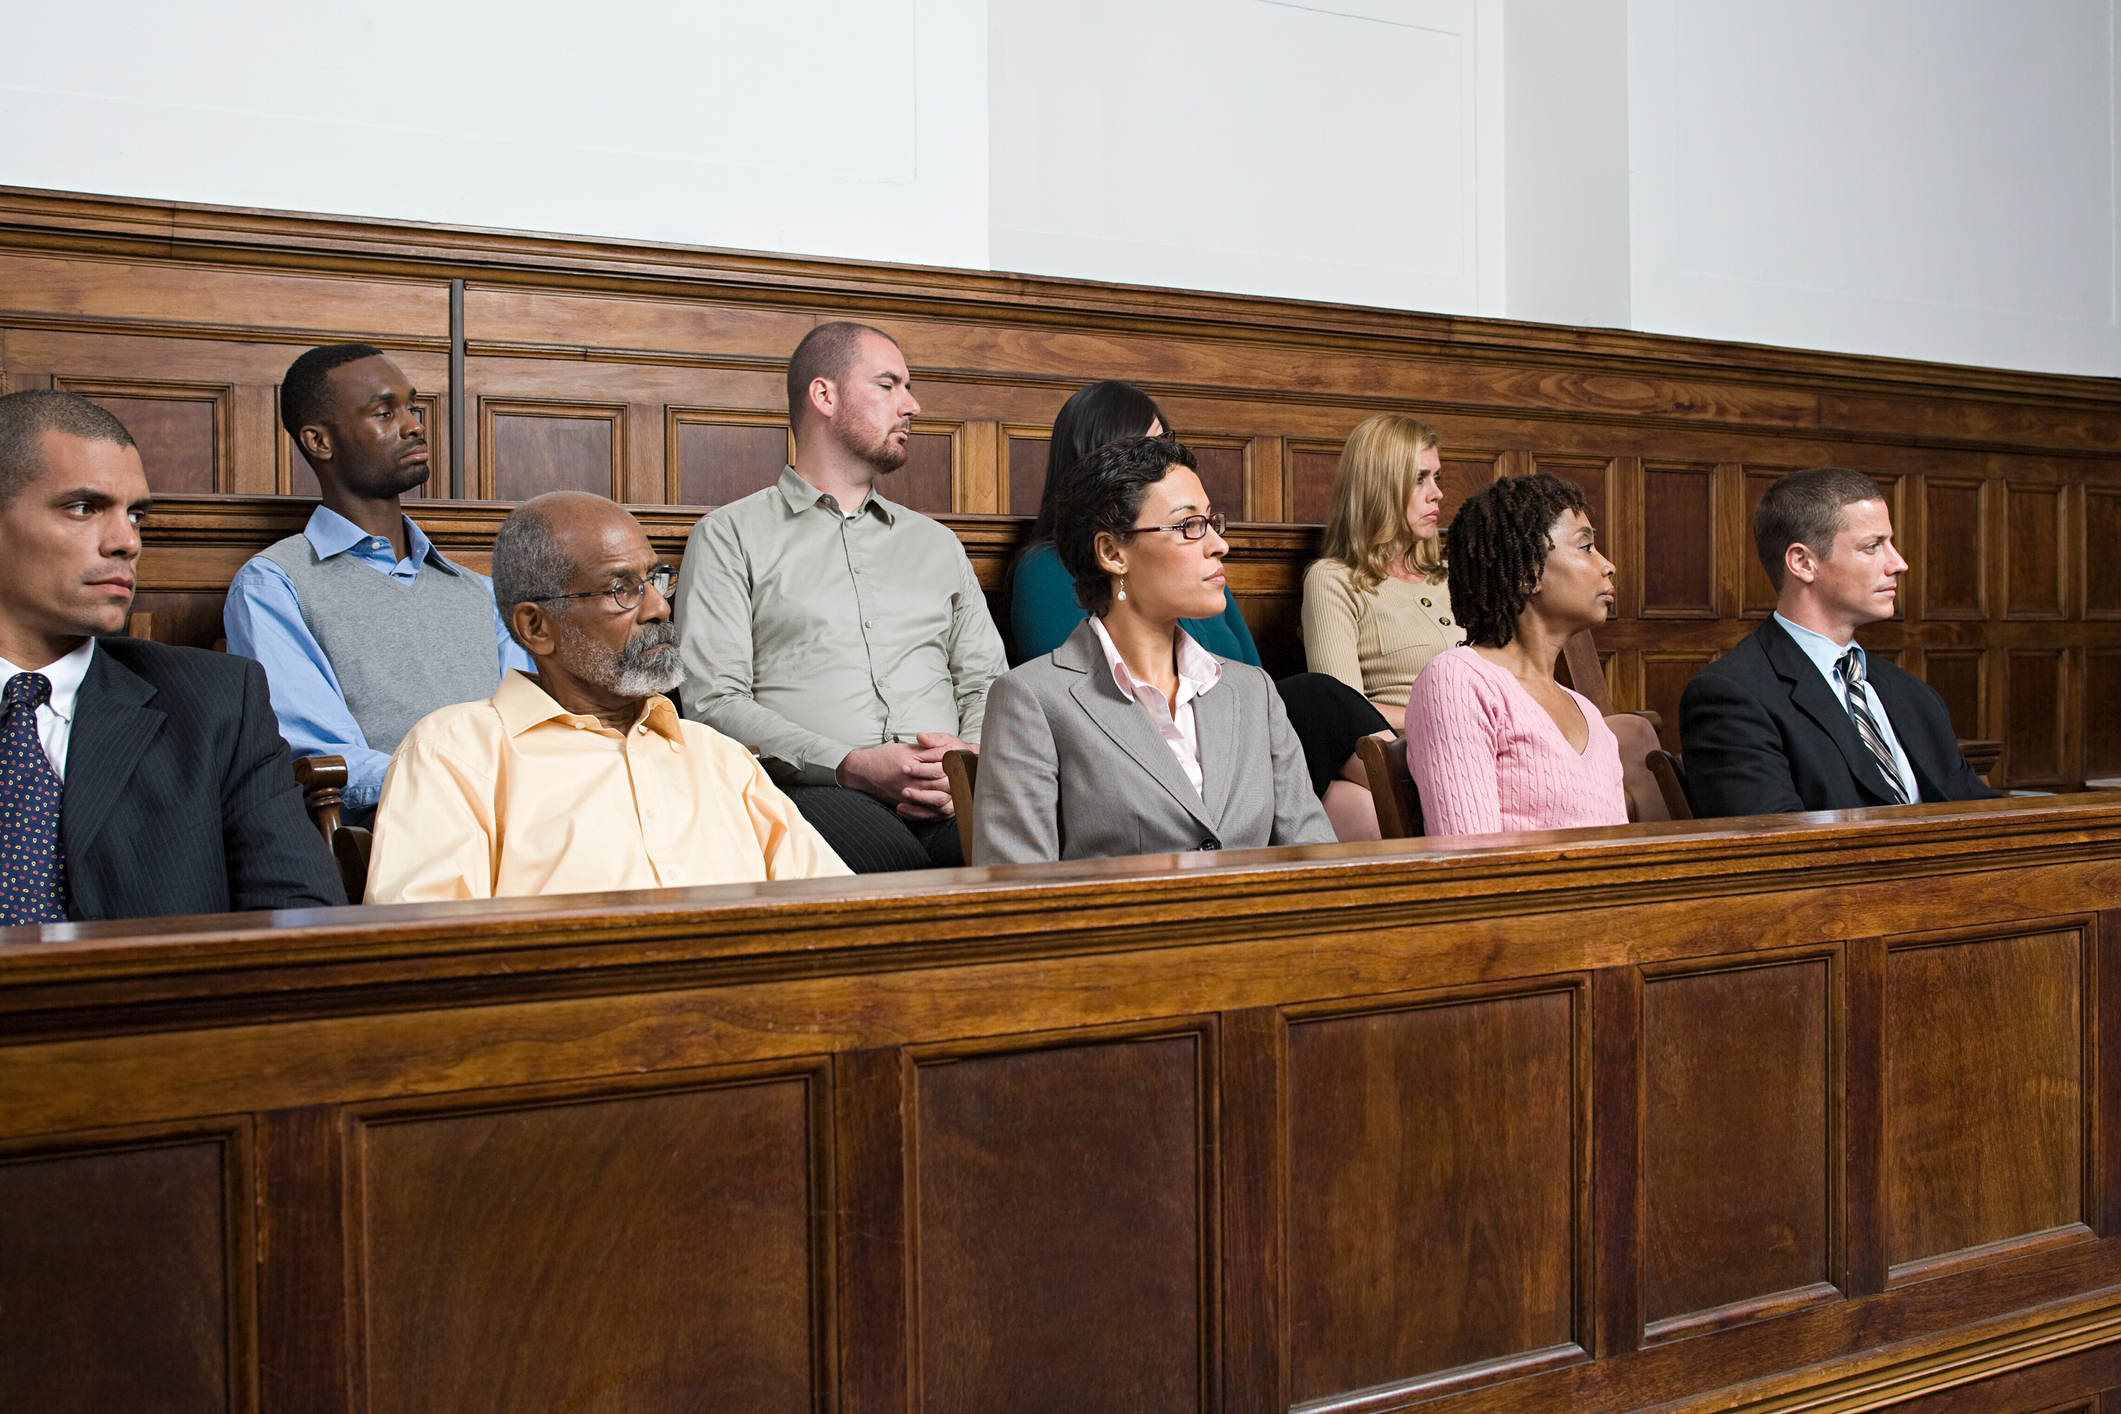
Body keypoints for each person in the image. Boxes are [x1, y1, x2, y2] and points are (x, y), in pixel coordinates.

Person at [364, 492, 849, 903]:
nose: (660, 608)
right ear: (536, 627)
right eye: (621, 589)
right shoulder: (452, 755)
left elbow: (841, 920)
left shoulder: (720, 757)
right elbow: (424, 962)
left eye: (657, 580)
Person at [675, 321, 1008, 873]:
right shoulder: (729, 535)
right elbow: (714, 704)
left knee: (1042, 850)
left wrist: (964, 761)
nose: (912, 405)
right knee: (895, 865)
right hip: (812, 789)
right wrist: (851, 764)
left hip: (953, 790)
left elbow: (987, 683)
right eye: (889, 385)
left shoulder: (937, 545)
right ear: (824, 396)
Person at [0, 391, 343, 923]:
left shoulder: (217, 703)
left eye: (135, 514)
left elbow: (302, 924)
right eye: (84, 508)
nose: (126, 542)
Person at [972, 436, 1334, 863]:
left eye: (1212, 522)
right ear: (1112, 553)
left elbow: (1317, 863)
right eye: (1188, 526)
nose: (1219, 544)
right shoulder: (1031, 700)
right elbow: (1018, 894)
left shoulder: (1253, 690)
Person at [225, 344, 531, 822]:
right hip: (396, 840)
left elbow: (527, 729)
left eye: (411, 407)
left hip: (517, 824)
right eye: (385, 413)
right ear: (319, 442)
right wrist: (464, 785)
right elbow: (325, 761)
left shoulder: (479, 592)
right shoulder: (273, 585)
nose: (414, 425)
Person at [1680, 467, 1997, 816]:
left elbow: (1983, 817)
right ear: (1803, 563)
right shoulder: (1731, 697)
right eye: (1872, 546)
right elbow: (1772, 850)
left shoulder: (1911, 694)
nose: (1899, 563)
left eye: (1890, 543)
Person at [1404, 472, 1628, 837]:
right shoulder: (1459, 680)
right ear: (1527, 573)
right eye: (1585, 547)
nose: (1607, 565)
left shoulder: (1588, 713)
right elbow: (1472, 863)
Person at [1299, 414, 1468, 838]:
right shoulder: (1335, 579)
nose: (1437, 494)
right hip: (1396, 747)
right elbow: (1342, 713)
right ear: (1379, 485)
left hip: (1482, 731)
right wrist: (1444, 716)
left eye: (1437, 477)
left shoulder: (1453, 576)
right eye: (1419, 480)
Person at [1009, 380, 1259, 664]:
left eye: (1164, 443)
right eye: (1145, 450)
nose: (1163, 461)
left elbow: (1255, 680)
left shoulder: (1199, 559)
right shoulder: (1044, 568)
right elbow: (1068, 692)